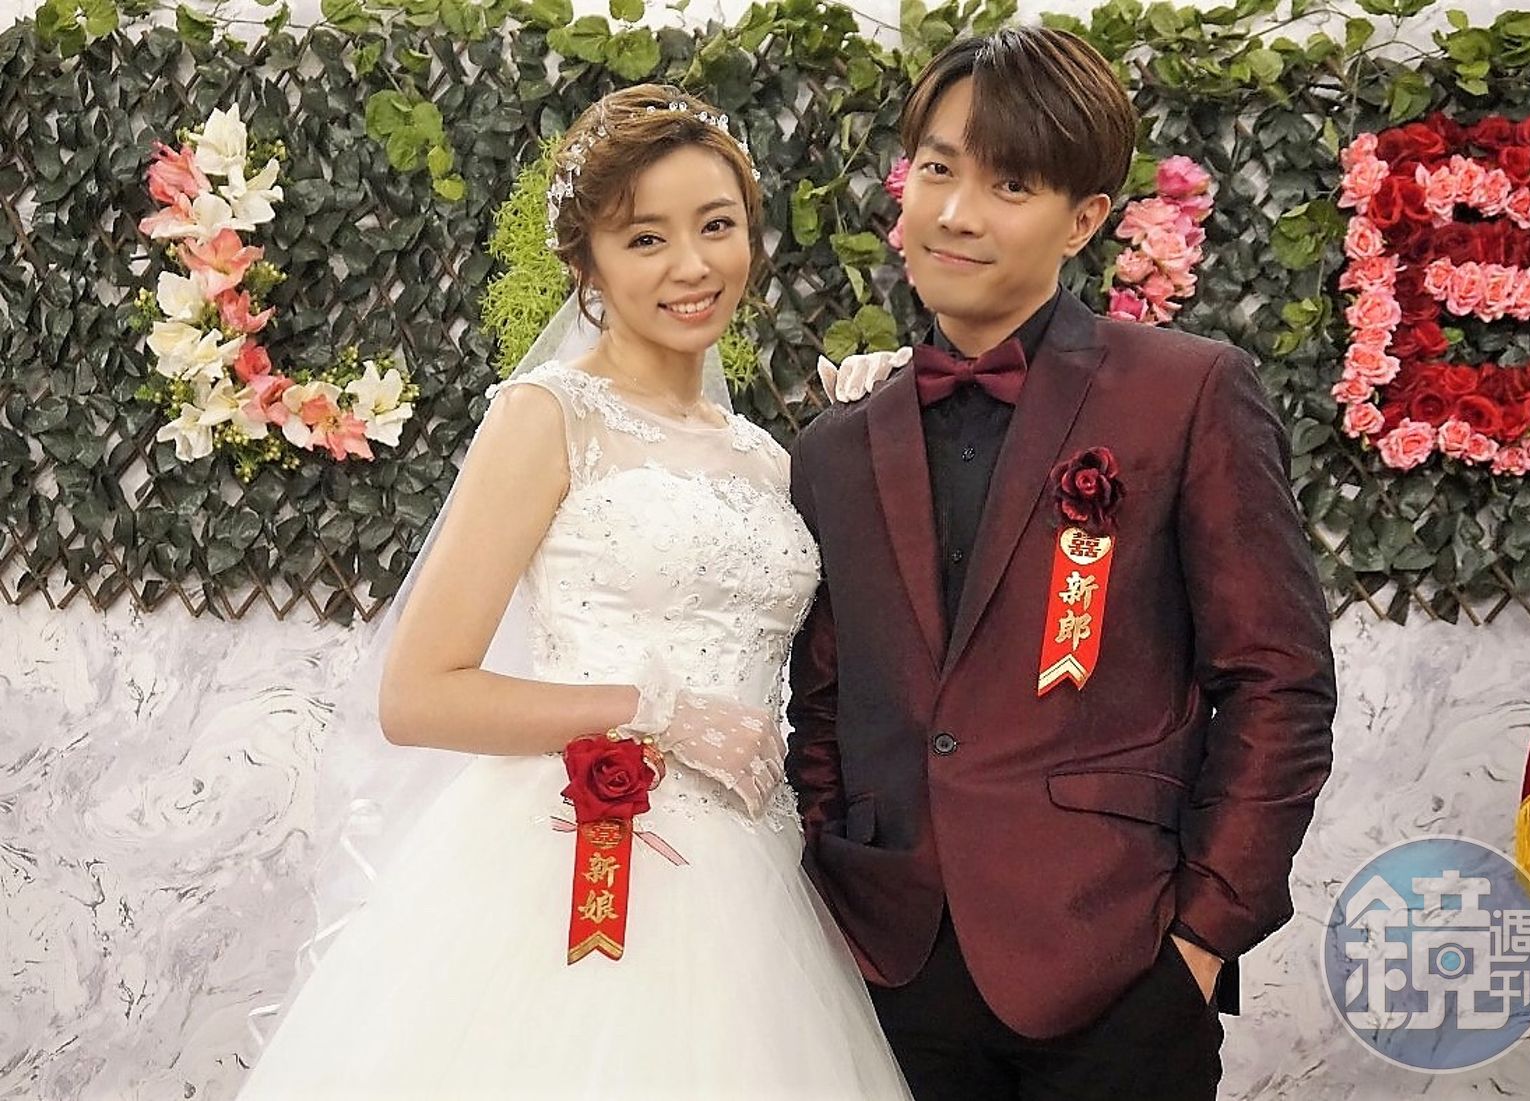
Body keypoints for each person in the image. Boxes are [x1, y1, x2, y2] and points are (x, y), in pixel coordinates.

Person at [238, 85, 910, 1100]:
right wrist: (655, 713)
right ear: (587, 263)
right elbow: (418, 694)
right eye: (645, 239)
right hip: (574, 848)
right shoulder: (546, 415)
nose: (692, 266)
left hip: (757, 886)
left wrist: (884, 421)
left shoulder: (767, 457)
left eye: (716, 226)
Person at [787, 26, 1338, 1101]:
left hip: (1115, 970)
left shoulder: (1184, 393)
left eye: (1010, 184)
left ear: (1084, 219)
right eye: (937, 169)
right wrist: (832, 876)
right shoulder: (834, 447)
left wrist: (1202, 937)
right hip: (884, 973)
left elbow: (1277, 680)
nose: (957, 212)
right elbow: (825, 703)